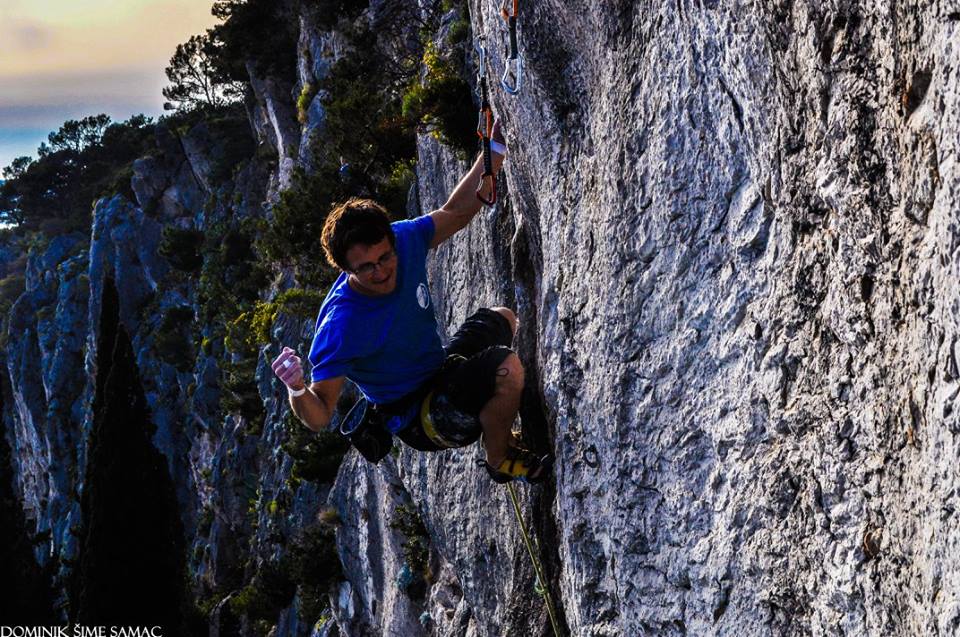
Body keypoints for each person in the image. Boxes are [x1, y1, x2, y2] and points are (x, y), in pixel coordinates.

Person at [271, 122, 550, 483]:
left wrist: (493, 153)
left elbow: (457, 213)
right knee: (506, 368)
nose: (381, 271)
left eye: (385, 257)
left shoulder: (404, 238)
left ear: (391, 239)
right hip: (421, 417)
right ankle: (499, 457)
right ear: (344, 269)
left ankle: (492, 413)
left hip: (441, 371)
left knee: (504, 319)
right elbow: (320, 415)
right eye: (365, 267)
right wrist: (296, 387)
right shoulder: (341, 325)